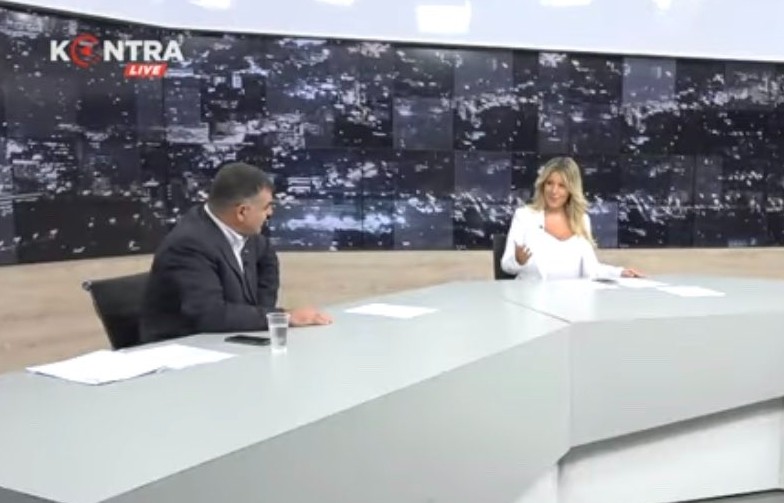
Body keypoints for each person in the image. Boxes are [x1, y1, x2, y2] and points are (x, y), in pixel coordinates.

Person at [140, 162, 332, 344]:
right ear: (242, 212)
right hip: (184, 349)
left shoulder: (245, 232)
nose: (270, 213)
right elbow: (210, 315)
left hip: (228, 340)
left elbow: (267, 261)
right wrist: (282, 317)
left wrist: (261, 312)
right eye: (266, 207)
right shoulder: (188, 245)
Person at [501, 156, 642, 281]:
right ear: (542, 185)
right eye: (549, 183)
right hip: (532, 298)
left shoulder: (582, 220)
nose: (554, 191)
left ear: (571, 190)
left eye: (562, 186)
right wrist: (518, 261)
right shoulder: (525, 217)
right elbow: (506, 265)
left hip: (573, 299)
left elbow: (592, 268)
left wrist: (620, 273)